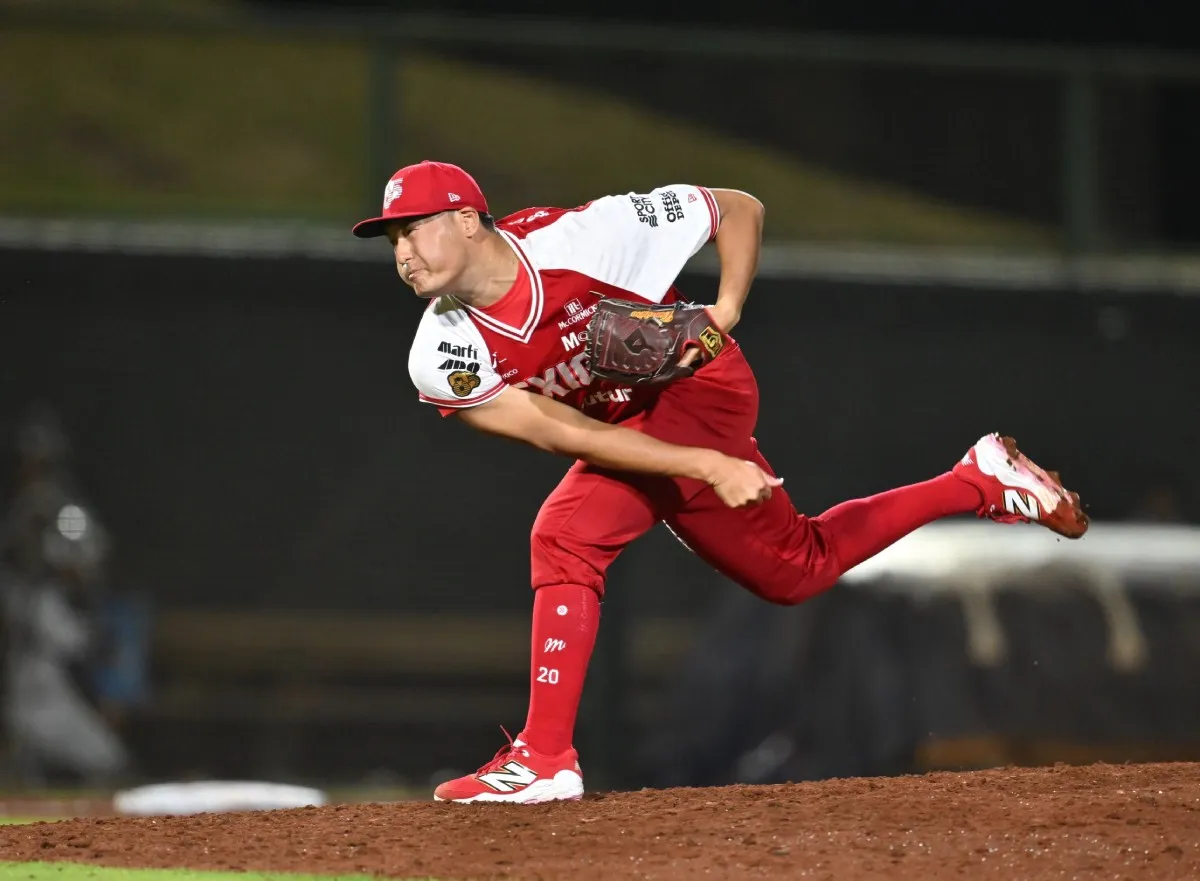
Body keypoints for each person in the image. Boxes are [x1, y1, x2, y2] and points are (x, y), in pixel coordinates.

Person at [351, 160, 1088, 804]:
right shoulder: (442, 351)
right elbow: (560, 432)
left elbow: (738, 207)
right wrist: (704, 466)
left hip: (701, 391)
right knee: (795, 569)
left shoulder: (586, 238)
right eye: (393, 242)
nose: (404, 255)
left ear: (468, 220)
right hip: (639, 430)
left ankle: (544, 758)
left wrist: (726, 309)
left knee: (565, 534)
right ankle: (978, 480)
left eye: (414, 230)